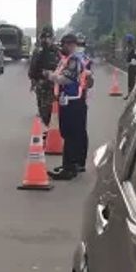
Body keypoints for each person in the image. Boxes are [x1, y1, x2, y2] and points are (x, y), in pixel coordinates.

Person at [48, 32, 92, 181]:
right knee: (79, 133)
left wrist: (50, 76)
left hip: (71, 101)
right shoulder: (82, 58)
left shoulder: (74, 60)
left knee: (69, 134)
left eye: (64, 45)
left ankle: (68, 168)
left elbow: (65, 79)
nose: (62, 48)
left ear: (71, 45)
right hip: (78, 100)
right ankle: (78, 163)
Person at [27, 26, 60, 134]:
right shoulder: (38, 51)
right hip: (41, 83)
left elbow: (63, 65)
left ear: (52, 38)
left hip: (54, 83)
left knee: (52, 107)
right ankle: (47, 126)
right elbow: (33, 67)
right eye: (44, 37)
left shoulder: (57, 51)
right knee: (42, 108)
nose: (46, 40)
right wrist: (33, 80)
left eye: (48, 37)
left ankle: (51, 129)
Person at [124, 33, 136, 99]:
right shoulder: (129, 48)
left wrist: (132, 61)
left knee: (132, 81)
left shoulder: (135, 48)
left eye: (128, 40)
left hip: (134, 66)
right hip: (131, 66)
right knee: (130, 81)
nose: (127, 42)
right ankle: (130, 95)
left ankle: (133, 95)